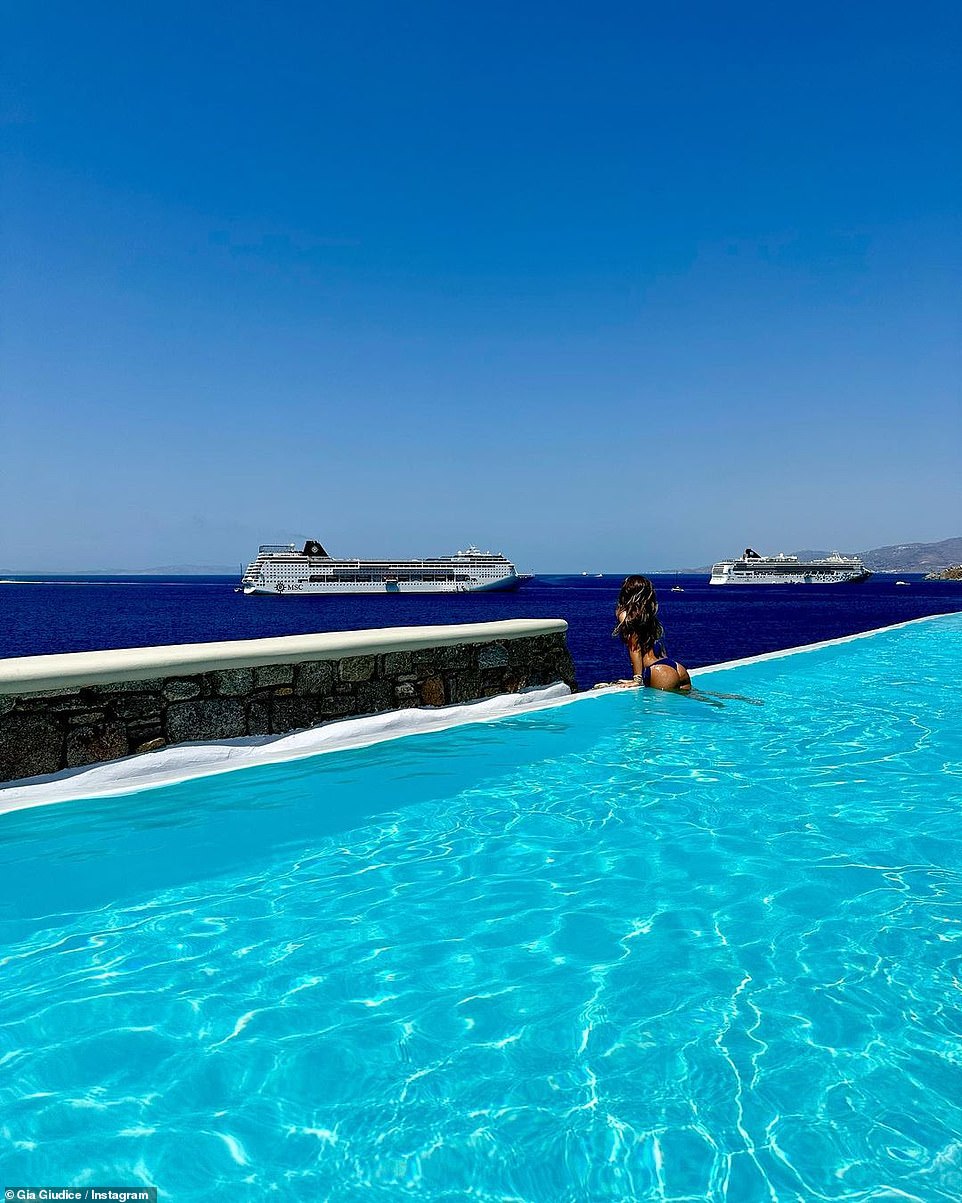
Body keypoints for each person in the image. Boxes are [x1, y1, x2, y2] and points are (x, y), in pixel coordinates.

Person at [612, 575, 692, 693]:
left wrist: (637, 679)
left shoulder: (626, 615)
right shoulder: (648, 616)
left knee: (653, 711)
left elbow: (635, 647)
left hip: (659, 672)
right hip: (675, 667)